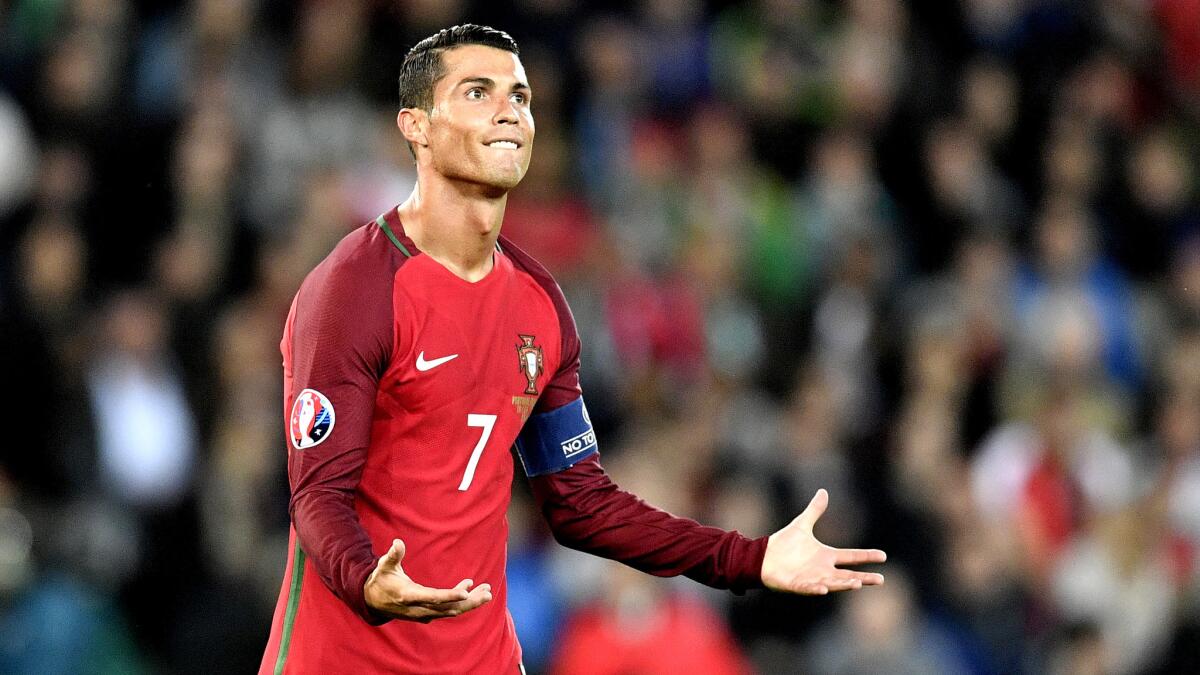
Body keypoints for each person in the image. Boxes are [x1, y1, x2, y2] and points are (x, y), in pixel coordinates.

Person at [258, 24, 886, 675]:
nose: (509, 111)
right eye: (478, 92)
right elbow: (318, 496)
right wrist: (365, 579)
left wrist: (747, 557)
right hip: (344, 657)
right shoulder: (355, 288)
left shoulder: (540, 304)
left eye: (520, 97)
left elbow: (582, 503)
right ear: (416, 126)